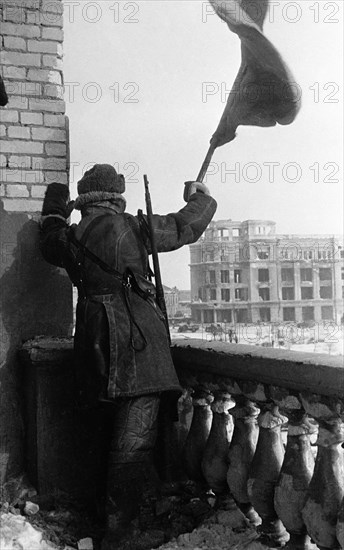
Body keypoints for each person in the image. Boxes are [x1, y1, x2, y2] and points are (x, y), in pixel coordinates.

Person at [39, 164, 217, 548]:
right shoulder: (135, 228)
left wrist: (56, 203)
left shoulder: (70, 237)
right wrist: (200, 196)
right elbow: (186, 226)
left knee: (107, 436)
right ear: (116, 197)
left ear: (84, 201)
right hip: (139, 347)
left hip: (94, 348)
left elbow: (48, 236)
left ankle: (108, 523)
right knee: (133, 443)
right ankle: (121, 536)